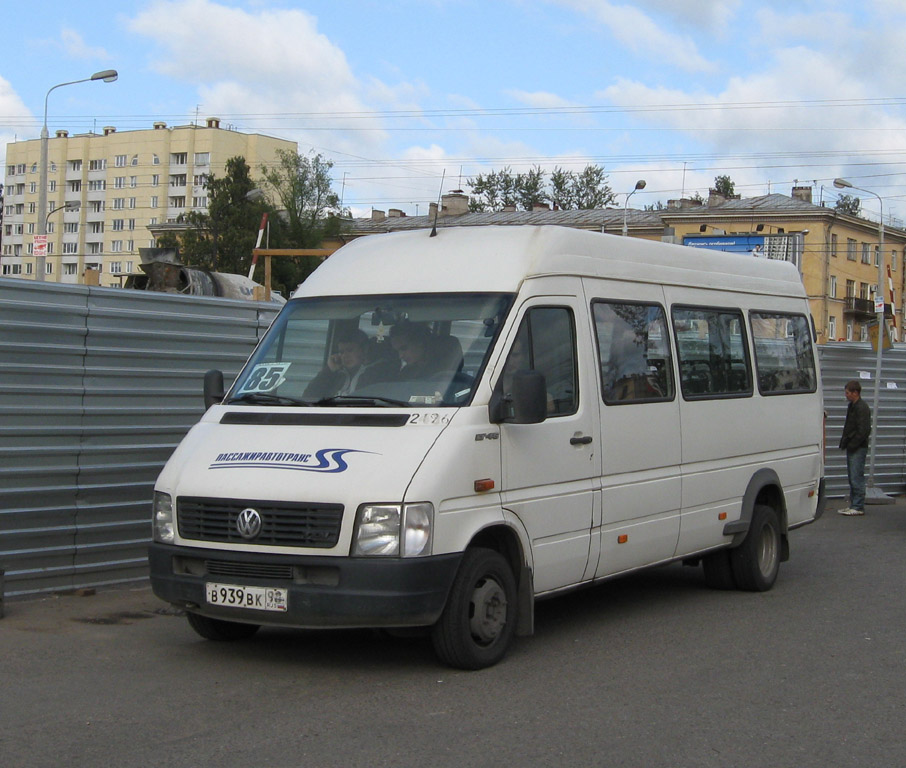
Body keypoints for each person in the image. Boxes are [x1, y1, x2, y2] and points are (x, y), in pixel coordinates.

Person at [303, 329, 391, 399]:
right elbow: (309, 396)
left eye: (350, 350)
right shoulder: (337, 374)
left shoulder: (377, 374)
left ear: (364, 349)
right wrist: (329, 371)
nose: (345, 356)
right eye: (341, 352)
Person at [838, 379, 872, 516]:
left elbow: (864, 430)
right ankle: (853, 504)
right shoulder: (852, 406)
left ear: (855, 392)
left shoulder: (862, 407)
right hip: (852, 446)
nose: (846, 395)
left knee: (856, 476)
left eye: (847, 393)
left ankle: (858, 506)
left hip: (858, 447)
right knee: (852, 476)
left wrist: (852, 444)